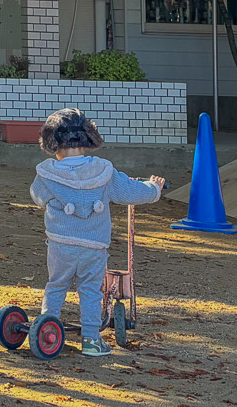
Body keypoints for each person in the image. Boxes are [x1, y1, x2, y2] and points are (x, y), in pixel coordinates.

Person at [29, 107, 166, 357]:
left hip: (61, 244)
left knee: (56, 285)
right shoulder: (104, 172)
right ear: (88, 138)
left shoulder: (47, 174)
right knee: (91, 291)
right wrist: (153, 189)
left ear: (51, 141)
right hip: (94, 245)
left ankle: (46, 330)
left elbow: (38, 197)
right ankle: (91, 340)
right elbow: (129, 192)